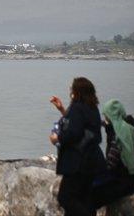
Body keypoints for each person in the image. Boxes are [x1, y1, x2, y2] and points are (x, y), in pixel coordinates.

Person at [49, 77, 106, 216]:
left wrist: (57, 138)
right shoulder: (92, 108)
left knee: (65, 197)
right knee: (85, 200)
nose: (70, 92)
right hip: (92, 161)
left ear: (77, 91)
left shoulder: (77, 107)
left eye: (72, 89)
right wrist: (62, 109)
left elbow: (74, 132)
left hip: (78, 163)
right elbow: (79, 124)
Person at [90, 98, 134, 209]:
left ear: (111, 117)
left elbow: (110, 165)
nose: (105, 119)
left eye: (106, 117)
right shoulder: (131, 128)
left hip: (125, 182)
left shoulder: (119, 136)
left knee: (91, 194)